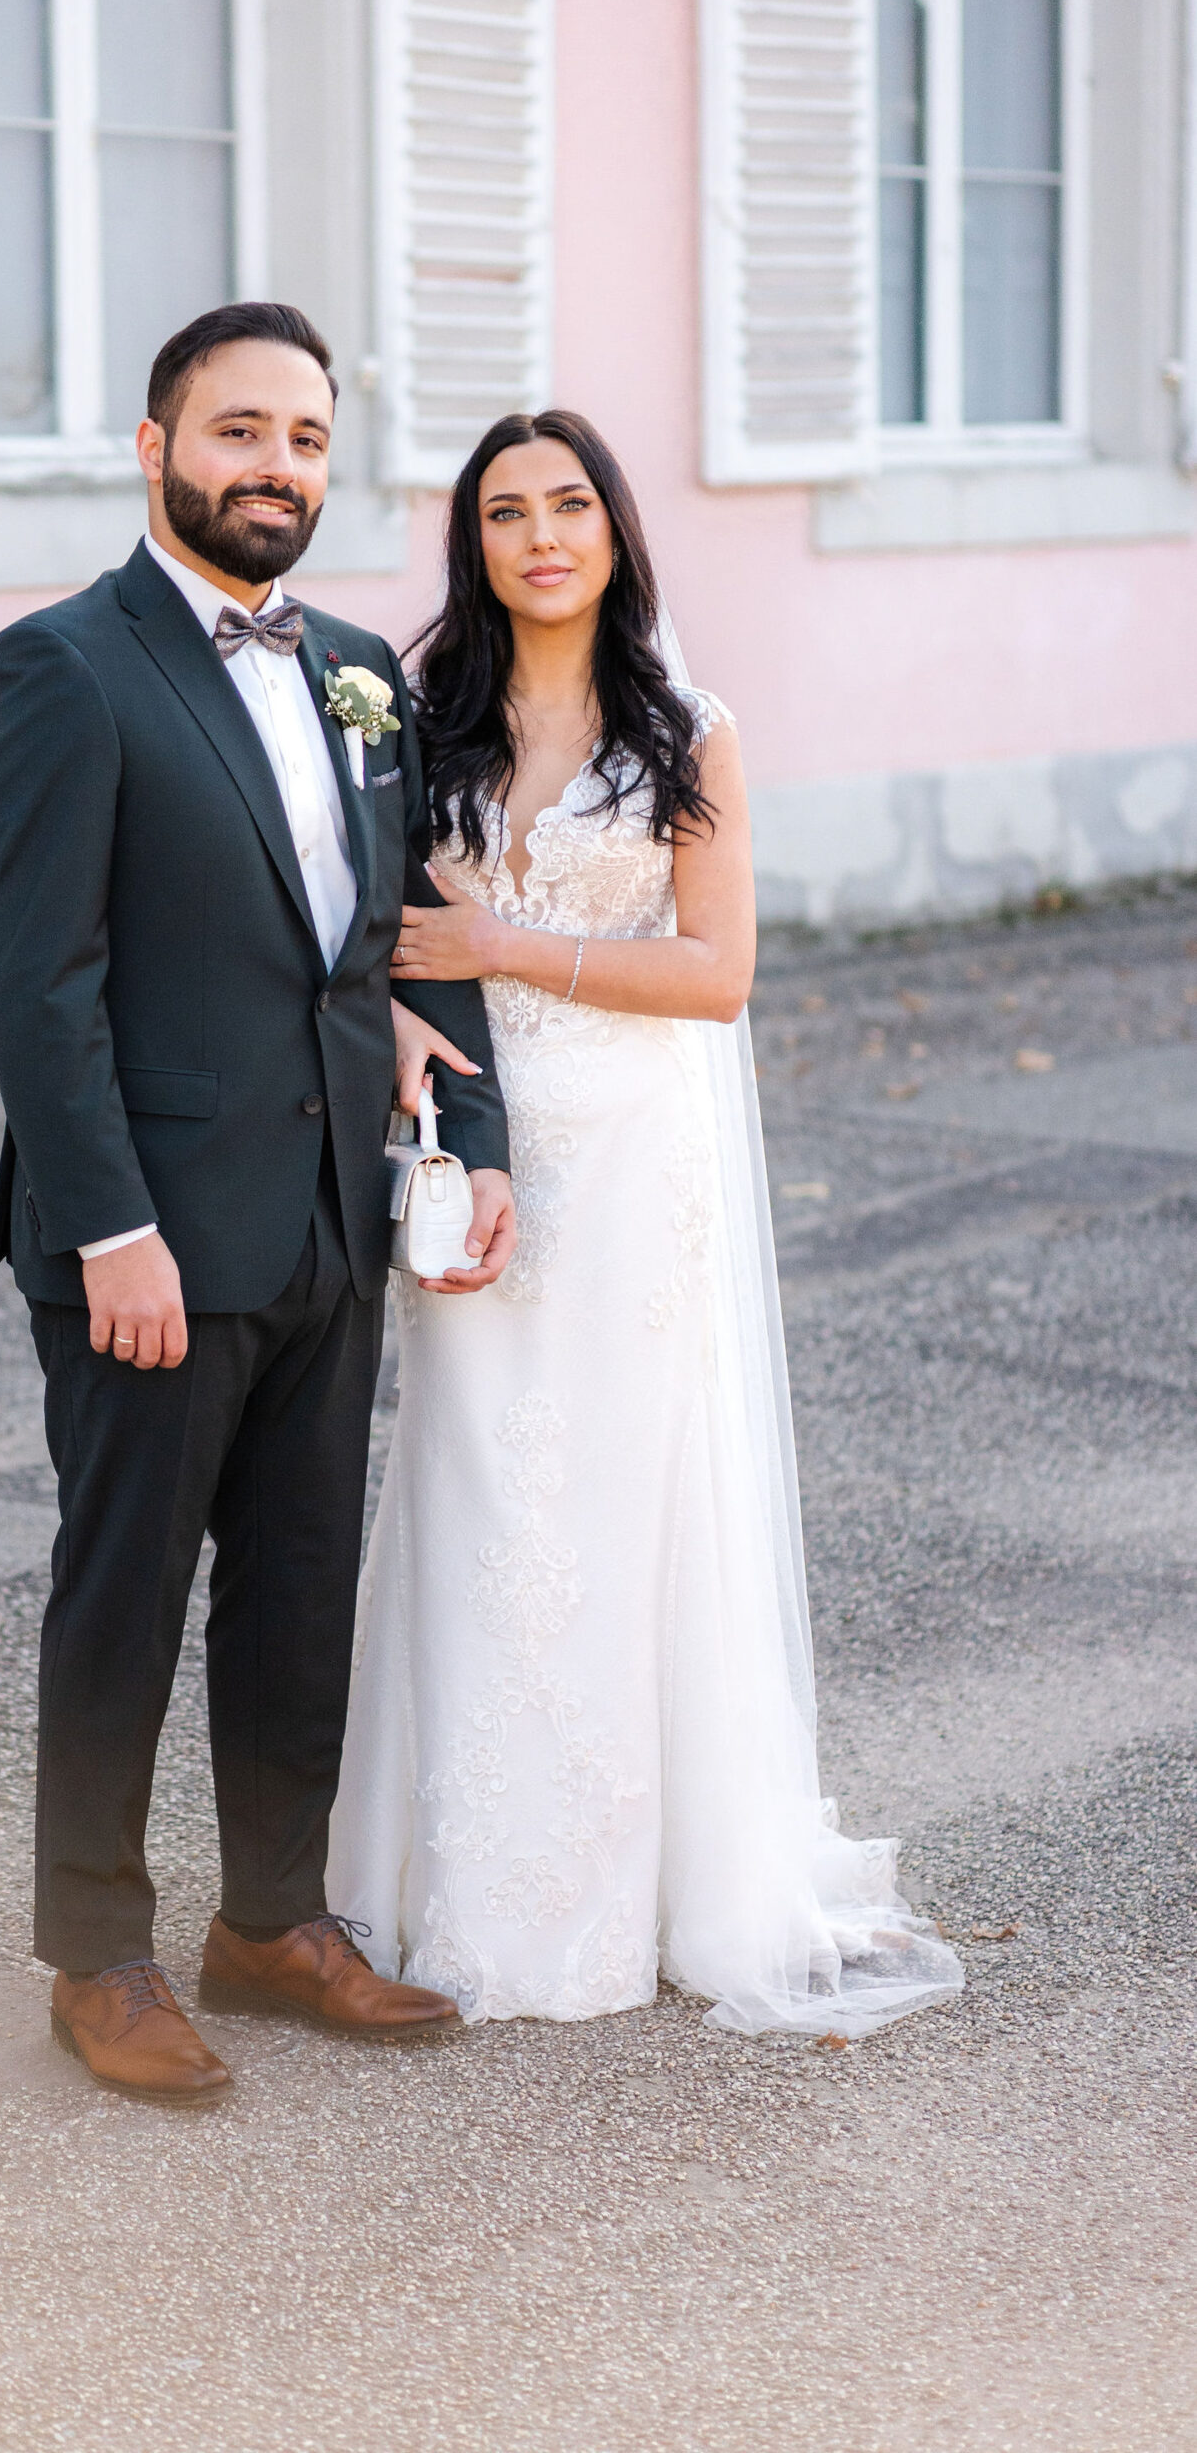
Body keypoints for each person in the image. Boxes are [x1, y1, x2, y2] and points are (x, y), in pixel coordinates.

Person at [327, 410, 964, 2039]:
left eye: (570, 505)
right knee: (475, 1486)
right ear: (473, 543)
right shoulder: (425, 714)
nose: (541, 536)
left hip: (628, 1157)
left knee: (615, 1500)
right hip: (481, 1147)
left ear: (614, 529)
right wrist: (407, 1022)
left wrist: (509, 945)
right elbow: (380, 926)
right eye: (505, 512)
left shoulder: (688, 730)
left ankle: (623, 1896)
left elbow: (716, 972)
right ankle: (455, 1877)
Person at [0, 303, 515, 2107]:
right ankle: (97, 1956)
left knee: (299, 1591)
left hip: (332, 1216)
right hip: (150, 1241)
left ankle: (271, 1923)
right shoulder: (60, 668)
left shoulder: (359, 671)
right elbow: (37, 983)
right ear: (156, 448)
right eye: (240, 430)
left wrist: (472, 1128)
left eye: (307, 438)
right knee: (123, 1597)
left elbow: (400, 937)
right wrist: (110, 1226)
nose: (277, 467)